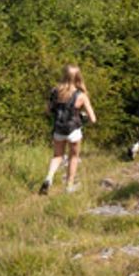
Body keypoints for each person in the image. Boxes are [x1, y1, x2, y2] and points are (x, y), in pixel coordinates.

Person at [39, 64, 97, 195]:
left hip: (58, 129)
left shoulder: (55, 91)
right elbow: (93, 119)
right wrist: (83, 117)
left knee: (57, 156)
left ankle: (49, 177)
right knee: (73, 157)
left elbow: (48, 110)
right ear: (78, 77)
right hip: (74, 131)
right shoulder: (81, 95)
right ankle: (69, 186)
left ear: (63, 75)